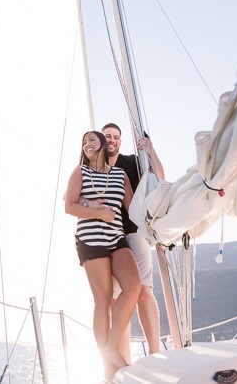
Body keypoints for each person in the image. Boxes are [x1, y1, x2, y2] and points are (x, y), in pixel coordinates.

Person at [64, 130, 141, 378]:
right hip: (90, 239)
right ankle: (107, 358)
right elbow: (69, 206)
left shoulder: (120, 175)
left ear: (103, 145)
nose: (87, 143)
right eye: (84, 141)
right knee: (104, 300)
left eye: (91, 140)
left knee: (134, 286)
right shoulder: (80, 172)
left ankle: (109, 348)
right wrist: (98, 213)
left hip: (116, 237)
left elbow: (133, 207)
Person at [83, 124, 164, 357]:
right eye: (107, 136)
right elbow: (74, 197)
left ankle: (155, 353)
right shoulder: (90, 166)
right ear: (100, 139)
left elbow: (159, 178)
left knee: (144, 289)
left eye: (116, 137)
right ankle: (121, 359)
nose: (111, 140)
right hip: (107, 237)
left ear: (120, 141)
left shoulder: (130, 163)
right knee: (115, 300)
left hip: (133, 232)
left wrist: (150, 150)